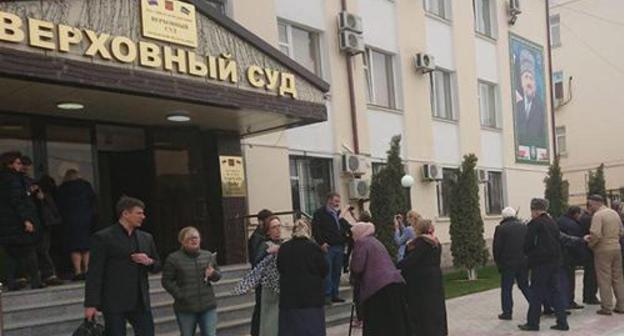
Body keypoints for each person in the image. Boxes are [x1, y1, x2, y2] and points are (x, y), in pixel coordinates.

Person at [84, 196, 161, 336]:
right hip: (114, 301)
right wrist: (91, 304)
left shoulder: (146, 238)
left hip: (139, 301)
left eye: (143, 213)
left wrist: (148, 261)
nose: (143, 217)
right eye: (139, 213)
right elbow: (94, 273)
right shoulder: (103, 238)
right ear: (125, 214)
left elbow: (157, 266)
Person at [350, 212, 409, 336]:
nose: (352, 236)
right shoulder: (374, 241)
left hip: (378, 288)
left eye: (353, 234)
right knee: (393, 322)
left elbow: (357, 267)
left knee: (379, 323)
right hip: (393, 283)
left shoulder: (361, 243)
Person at [518, 198, 569, 331]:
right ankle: (562, 322)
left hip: (540, 263)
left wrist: (529, 255)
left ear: (535, 210)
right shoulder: (552, 222)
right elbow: (559, 240)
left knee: (536, 293)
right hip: (555, 262)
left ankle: (533, 323)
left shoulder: (535, 224)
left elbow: (528, 244)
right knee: (556, 292)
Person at [162, 227, 221, 336]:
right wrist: (180, 295)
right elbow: (166, 281)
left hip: (208, 305)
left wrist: (213, 273)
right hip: (186, 308)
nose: (194, 240)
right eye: (190, 238)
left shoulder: (207, 255)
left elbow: (218, 276)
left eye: (196, 237)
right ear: (182, 241)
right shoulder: (173, 258)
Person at [277, 220, 328, 336]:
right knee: (312, 330)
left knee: (291, 330)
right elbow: (324, 269)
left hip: (289, 300)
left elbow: (280, 268)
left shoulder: (284, 248)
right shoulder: (314, 247)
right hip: (311, 299)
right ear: (308, 231)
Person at [0, 151, 43, 290]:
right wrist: (26, 220)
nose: (20, 166)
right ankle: (35, 281)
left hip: (6, 223)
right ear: (10, 164)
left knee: (10, 254)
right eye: (18, 163)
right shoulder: (14, 180)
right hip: (17, 222)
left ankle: (11, 282)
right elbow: (17, 201)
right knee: (29, 251)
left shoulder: (3, 179)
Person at [398, 218, 447, 336]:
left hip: (421, 282)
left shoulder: (420, 243)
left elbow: (410, 261)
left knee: (424, 310)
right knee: (435, 308)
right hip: (435, 278)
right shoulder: (436, 242)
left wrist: (396, 265)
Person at [586, 195, 624, 315]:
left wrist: (591, 245)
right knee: (618, 277)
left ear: (596, 203)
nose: (590, 207)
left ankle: (606, 307)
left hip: (603, 249)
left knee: (604, 279)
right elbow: (621, 231)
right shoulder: (614, 213)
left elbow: (596, 234)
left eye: (590, 204)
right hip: (616, 247)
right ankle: (621, 305)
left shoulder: (598, 215)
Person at [57, 168, 96, 281]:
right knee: (86, 245)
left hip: (70, 221)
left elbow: (59, 205)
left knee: (74, 246)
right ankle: (88, 269)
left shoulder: (63, 189)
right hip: (85, 219)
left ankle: (78, 270)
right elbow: (93, 201)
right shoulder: (86, 186)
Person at [492, 207, 531, 320]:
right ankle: (535, 305)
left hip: (508, 263)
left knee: (506, 288)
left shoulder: (501, 228)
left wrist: (498, 262)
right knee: (524, 285)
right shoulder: (523, 227)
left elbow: (497, 248)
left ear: (503, 216)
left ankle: (507, 312)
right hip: (523, 261)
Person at [312, 192, 348, 304]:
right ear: (329, 200)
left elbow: (341, 229)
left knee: (337, 272)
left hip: (339, 246)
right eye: (336, 201)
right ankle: (327, 295)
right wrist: (321, 243)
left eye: (338, 201)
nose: (338, 203)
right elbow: (316, 229)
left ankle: (335, 294)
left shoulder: (337, 215)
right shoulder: (319, 213)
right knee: (327, 271)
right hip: (328, 247)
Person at [33, 175, 64, 286]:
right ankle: (47, 274)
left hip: (44, 223)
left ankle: (44, 274)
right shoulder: (47, 196)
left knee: (43, 249)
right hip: (46, 223)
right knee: (43, 249)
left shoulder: (44, 196)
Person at [515, 49, 547, 152]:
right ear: (521, 81)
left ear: (535, 83)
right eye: (526, 77)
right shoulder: (516, 103)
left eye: (531, 78)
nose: (529, 82)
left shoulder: (540, 107)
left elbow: (543, 132)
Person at [248, 209, 273, 336]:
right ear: (261, 222)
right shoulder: (257, 238)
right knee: (260, 306)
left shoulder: (264, 236)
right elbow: (257, 259)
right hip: (261, 277)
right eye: (269, 221)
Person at [557, 206, 587, 309]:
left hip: (561, 255)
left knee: (563, 280)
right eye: (579, 214)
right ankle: (569, 301)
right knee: (569, 280)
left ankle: (565, 300)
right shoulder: (573, 225)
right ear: (575, 214)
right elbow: (574, 242)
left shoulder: (560, 220)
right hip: (569, 256)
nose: (580, 217)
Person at [579, 207, 600, 305]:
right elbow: (594, 234)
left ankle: (586, 296)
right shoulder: (590, 219)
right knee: (592, 275)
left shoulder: (583, 218)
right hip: (591, 250)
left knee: (588, 274)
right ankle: (591, 296)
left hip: (584, 250)